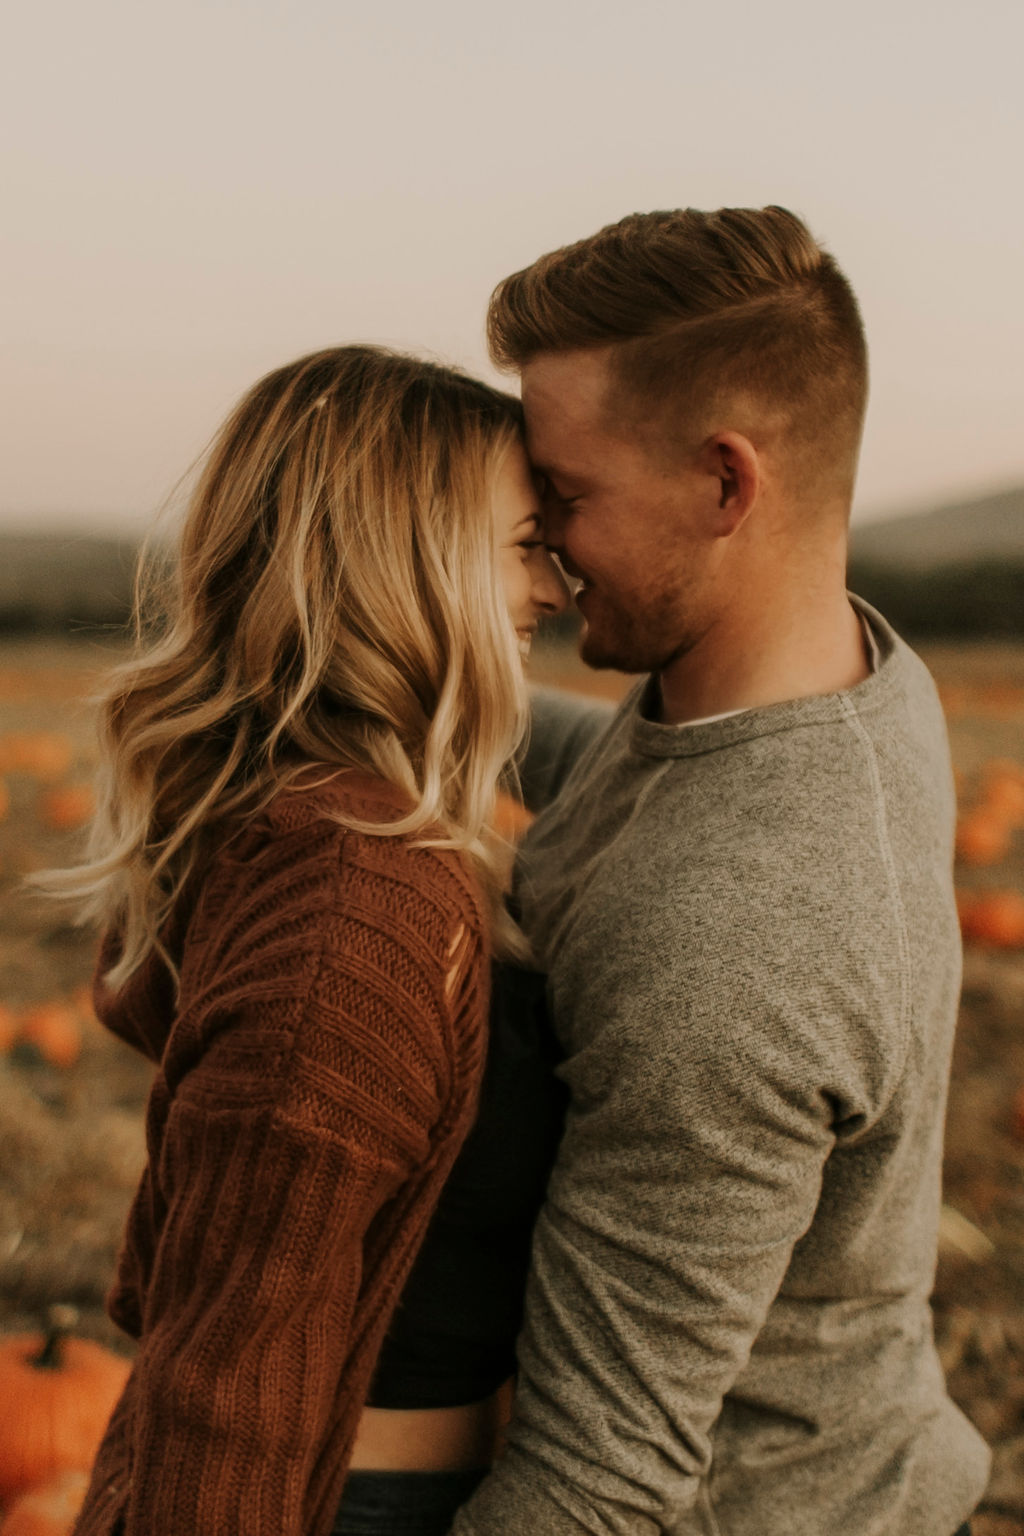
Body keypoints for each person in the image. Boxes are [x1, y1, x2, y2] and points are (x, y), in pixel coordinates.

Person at [449, 207, 990, 1535]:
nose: (548, 546)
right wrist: (377, 677)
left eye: (567, 499)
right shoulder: (834, 679)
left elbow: (594, 1487)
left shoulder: (735, 944)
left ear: (726, 483)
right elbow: (643, 790)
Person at [46, 344, 567, 1536]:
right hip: (350, 1504)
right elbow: (234, 1386)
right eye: (524, 544)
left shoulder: (336, 823)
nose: (555, 588)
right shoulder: (353, 905)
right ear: (408, 566)